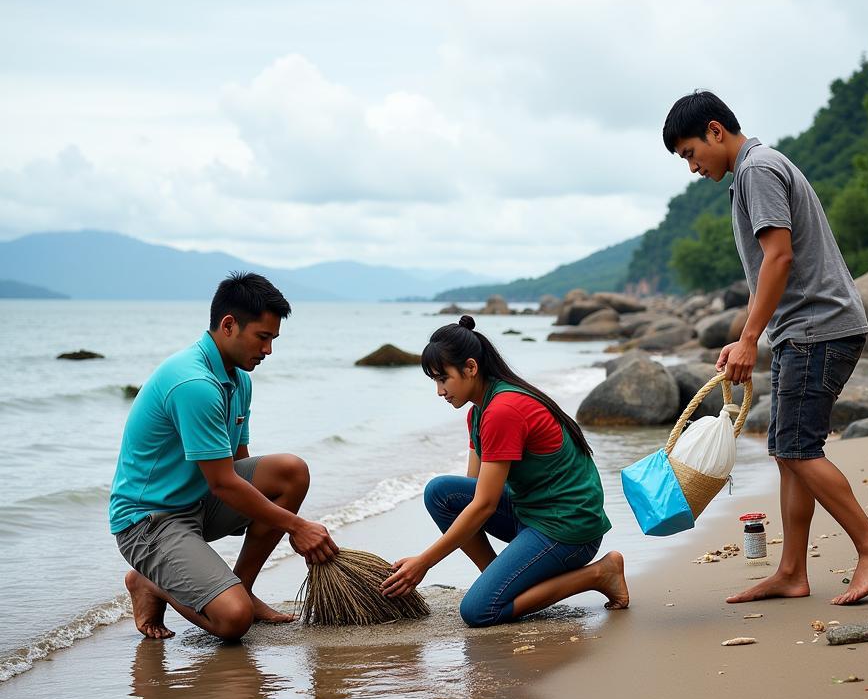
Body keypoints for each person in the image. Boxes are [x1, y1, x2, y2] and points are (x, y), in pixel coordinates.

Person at [662, 90, 868, 605]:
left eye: (689, 153)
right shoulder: (755, 170)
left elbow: (780, 257)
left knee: (796, 447)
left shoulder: (756, 171)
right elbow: (764, 273)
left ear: (715, 131)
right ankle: (792, 571)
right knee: (788, 451)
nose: (692, 167)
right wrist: (744, 337)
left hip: (819, 329)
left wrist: (752, 339)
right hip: (810, 328)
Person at [110, 271, 339, 641]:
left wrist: (284, 519)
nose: (268, 350)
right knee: (234, 621)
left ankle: (242, 586)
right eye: (262, 338)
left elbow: (239, 466)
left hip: (200, 502)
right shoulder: (195, 384)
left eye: (273, 339)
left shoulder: (239, 378)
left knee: (290, 472)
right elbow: (223, 483)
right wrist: (296, 527)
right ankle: (150, 583)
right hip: (149, 522)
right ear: (229, 325)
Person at [380, 316, 629, 625]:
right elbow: (473, 492)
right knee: (440, 493)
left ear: (470, 368)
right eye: (434, 381)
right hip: (534, 512)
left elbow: (484, 505)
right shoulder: (478, 413)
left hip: (568, 528)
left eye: (443, 378)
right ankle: (504, 583)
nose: (439, 391)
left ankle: (599, 574)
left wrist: (424, 562)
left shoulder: (503, 410)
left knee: (478, 611)